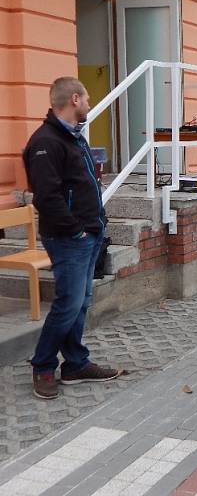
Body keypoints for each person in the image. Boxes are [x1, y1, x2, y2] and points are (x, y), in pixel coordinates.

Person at [23, 77, 118, 400]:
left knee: (80, 304)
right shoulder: (46, 142)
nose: (90, 104)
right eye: (87, 98)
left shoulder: (73, 138)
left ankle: (76, 364)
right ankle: (43, 365)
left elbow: (83, 183)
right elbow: (46, 197)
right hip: (69, 238)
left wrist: (96, 223)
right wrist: (75, 229)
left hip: (88, 233)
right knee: (68, 304)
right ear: (74, 99)